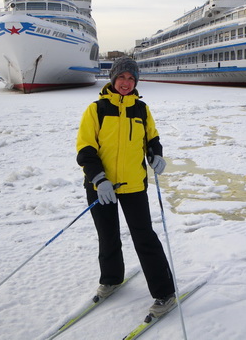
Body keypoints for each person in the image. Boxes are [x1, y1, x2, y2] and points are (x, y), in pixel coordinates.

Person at [76, 57, 176, 317]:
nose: (126, 83)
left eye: (131, 78)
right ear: (113, 79)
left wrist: (156, 154)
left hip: (133, 185)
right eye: (122, 77)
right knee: (107, 236)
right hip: (101, 187)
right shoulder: (96, 109)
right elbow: (85, 148)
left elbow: (151, 137)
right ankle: (111, 279)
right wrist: (99, 179)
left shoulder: (141, 109)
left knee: (144, 238)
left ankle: (165, 293)